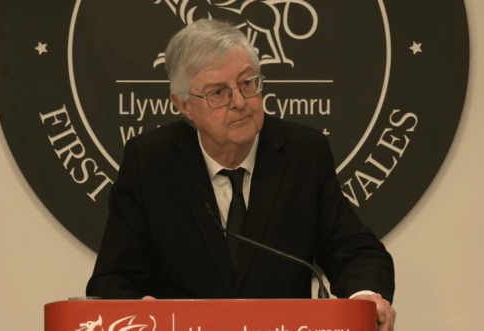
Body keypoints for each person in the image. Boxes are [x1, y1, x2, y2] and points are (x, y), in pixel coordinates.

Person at [87, 19, 396, 330]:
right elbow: (113, 277)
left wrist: (365, 297)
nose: (239, 102)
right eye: (218, 92)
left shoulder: (304, 152)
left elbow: (353, 249)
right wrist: (135, 310)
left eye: (248, 82)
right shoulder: (149, 162)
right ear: (183, 105)